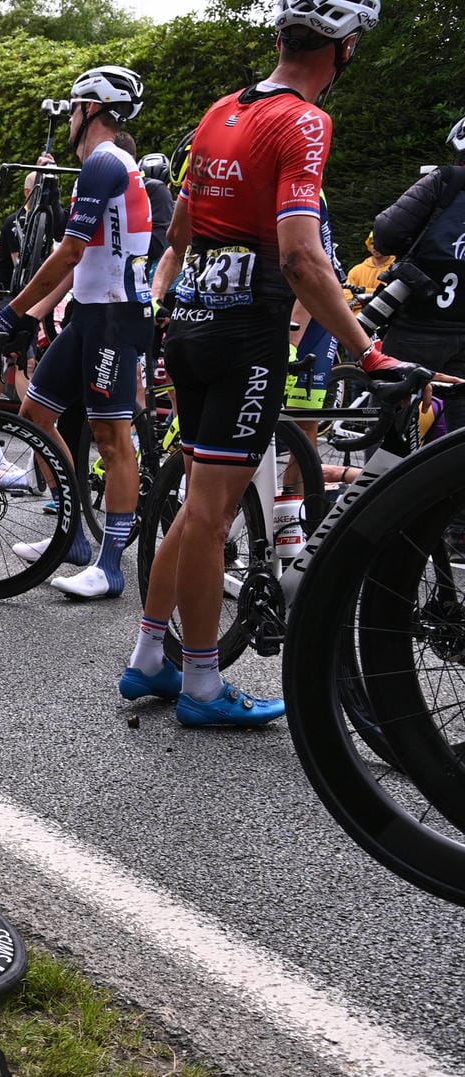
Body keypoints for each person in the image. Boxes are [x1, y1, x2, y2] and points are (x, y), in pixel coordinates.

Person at [133, 0, 394, 727]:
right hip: (247, 335)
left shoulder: (221, 111)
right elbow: (301, 255)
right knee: (213, 516)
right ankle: (204, 686)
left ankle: (150, 658)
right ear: (341, 54)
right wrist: (366, 352)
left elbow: (181, 228)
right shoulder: (306, 121)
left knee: (196, 506)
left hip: (188, 325)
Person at [0, 64, 153, 601]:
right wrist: (34, 313)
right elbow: (84, 263)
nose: (69, 119)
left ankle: (111, 565)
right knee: (35, 415)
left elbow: (71, 250)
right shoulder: (101, 167)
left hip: (116, 315)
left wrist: (14, 309)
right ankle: (74, 537)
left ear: (91, 112)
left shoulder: (105, 163)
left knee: (111, 437)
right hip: (89, 312)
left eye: (74, 109)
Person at [372, 119, 465, 427]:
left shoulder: (446, 180)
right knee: (458, 437)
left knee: (394, 421)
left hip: (417, 322)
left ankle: (383, 475)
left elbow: (386, 235)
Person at [344, 230, 396, 307]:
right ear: (368, 246)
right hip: (356, 316)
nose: (375, 247)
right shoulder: (356, 270)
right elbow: (346, 297)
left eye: (380, 244)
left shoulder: (397, 269)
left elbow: (392, 296)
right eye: (372, 244)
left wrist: (363, 292)